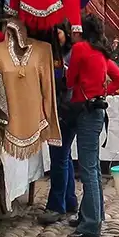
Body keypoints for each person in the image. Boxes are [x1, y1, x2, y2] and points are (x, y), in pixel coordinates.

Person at [65, 14, 119, 237]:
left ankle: (91, 225)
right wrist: (103, 92)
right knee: (91, 166)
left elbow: (70, 80)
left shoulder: (80, 49)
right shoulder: (102, 53)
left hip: (84, 110)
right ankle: (92, 214)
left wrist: (86, 90)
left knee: (88, 168)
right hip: (97, 110)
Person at [39, 20, 78, 225]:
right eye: (52, 30)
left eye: (59, 31)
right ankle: (69, 200)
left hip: (66, 110)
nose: (56, 34)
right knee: (63, 156)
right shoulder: (48, 53)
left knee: (59, 158)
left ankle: (56, 206)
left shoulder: (72, 54)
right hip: (56, 109)